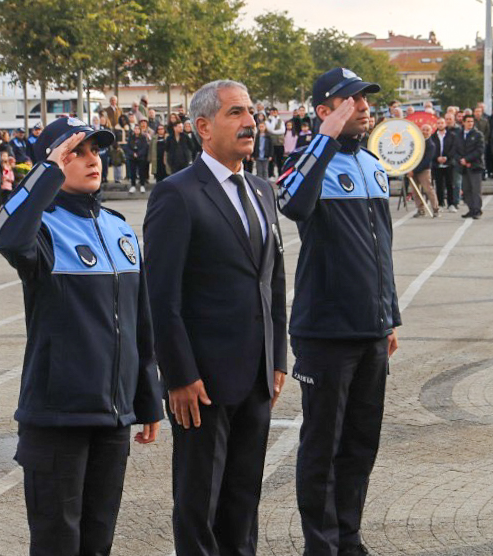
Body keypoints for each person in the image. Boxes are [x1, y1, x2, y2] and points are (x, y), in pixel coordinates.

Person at [0, 118, 163, 556]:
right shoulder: (42, 230)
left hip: (112, 418)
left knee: (98, 541)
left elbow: (140, 321)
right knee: (57, 543)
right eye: (77, 152)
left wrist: (146, 400)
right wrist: (46, 172)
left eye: (96, 151)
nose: (93, 160)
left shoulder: (120, 228)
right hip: (57, 418)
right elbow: (7, 236)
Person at [143, 80, 287, 556]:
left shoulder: (263, 191)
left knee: (243, 500)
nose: (250, 121)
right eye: (235, 113)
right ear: (203, 126)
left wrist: (278, 356)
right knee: (199, 504)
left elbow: (274, 281)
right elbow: (161, 296)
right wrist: (179, 375)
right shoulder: (176, 194)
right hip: (201, 384)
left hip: (257, 376)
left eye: (251, 112)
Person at [277, 68, 399, 556]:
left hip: (370, 330)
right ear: (324, 111)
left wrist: (387, 315)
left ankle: (349, 538)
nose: (364, 108)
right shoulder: (309, 163)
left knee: (359, 444)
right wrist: (323, 141)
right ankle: (321, 545)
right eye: (351, 101)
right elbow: (289, 200)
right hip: (326, 331)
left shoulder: (371, 164)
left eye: (366, 100)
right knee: (322, 448)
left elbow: (382, 246)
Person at [457, 113, 485, 219]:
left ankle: (477, 210)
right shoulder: (459, 134)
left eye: (472, 121)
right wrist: (461, 160)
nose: (470, 123)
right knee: (466, 189)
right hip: (463, 166)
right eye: (468, 121)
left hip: (475, 166)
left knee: (476, 189)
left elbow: (479, 150)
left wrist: (468, 159)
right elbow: (455, 149)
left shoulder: (478, 134)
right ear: (463, 122)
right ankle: (471, 209)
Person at [410, 123, 438, 217]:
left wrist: (413, 170)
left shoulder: (431, 145)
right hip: (412, 170)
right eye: (423, 129)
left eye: (427, 130)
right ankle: (420, 209)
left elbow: (426, 161)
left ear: (431, 132)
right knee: (415, 190)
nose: (425, 132)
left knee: (428, 189)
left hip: (424, 170)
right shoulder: (415, 141)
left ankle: (435, 208)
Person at [431, 117, 457, 209]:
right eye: (438, 123)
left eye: (442, 123)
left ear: (445, 124)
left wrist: (446, 157)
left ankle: (451, 204)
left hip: (449, 163)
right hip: (437, 164)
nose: (440, 125)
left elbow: (454, 148)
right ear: (436, 125)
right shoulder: (433, 136)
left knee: (450, 184)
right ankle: (441, 203)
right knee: (439, 185)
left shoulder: (452, 135)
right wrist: (437, 158)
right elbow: (431, 149)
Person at [124, 124, 149, 193]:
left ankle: (142, 185)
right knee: (132, 172)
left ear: (140, 130)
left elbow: (145, 147)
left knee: (141, 172)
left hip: (141, 157)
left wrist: (138, 154)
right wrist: (132, 153)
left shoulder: (143, 138)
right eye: (135, 129)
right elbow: (127, 147)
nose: (136, 130)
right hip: (132, 157)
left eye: (138, 128)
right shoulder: (130, 137)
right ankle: (133, 185)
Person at [266, 107, 286, 175]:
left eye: (275, 112)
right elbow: (270, 129)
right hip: (271, 143)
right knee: (271, 160)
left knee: (280, 160)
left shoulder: (281, 120)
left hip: (280, 143)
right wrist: (273, 120)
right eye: (272, 112)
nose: (273, 113)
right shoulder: (268, 120)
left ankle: (280, 173)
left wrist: (273, 132)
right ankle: (271, 174)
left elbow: (282, 131)